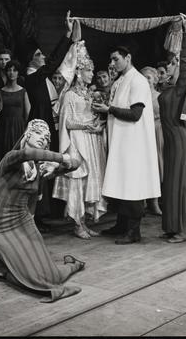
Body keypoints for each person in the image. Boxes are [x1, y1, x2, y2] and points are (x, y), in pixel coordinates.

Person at [0, 119, 85, 303]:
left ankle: (73, 265)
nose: (42, 138)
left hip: (22, 220)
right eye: (38, 133)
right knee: (32, 276)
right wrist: (61, 158)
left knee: (52, 275)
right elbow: (28, 153)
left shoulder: (38, 169)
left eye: (46, 138)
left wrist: (57, 166)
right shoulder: (12, 158)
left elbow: (77, 164)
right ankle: (7, 272)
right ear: (27, 134)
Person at [92, 45, 160, 244]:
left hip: (133, 142)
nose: (112, 64)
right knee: (121, 183)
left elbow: (135, 114)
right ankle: (121, 225)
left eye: (116, 59)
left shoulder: (138, 81)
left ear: (128, 57)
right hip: (121, 141)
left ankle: (133, 231)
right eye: (111, 60)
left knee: (132, 185)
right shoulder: (121, 80)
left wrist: (109, 109)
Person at [24, 11, 77, 231]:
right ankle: (34, 217)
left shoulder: (41, 76)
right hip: (38, 130)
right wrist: (67, 36)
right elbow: (54, 61)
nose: (42, 56)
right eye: (38, 54)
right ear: (31, 58)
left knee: (46, 170)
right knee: (38, 172)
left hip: (47, 127)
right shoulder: (32, 77)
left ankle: (43, 214)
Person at [53, 42, 108, 239]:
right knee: (77, 180)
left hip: (91, 140)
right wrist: (85, 125)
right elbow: (66, 121)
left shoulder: (90, 94)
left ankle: (84, 221)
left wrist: (98, 124)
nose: (92, 74)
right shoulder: (69, 95)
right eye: (88, 70)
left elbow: (94, 116)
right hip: (77, 141)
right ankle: (77, 223)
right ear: (79, 72)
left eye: (92, 70)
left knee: (89, 180)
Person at [156, 9, 186, 243]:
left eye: (172, 65)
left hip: (181, 138)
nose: (169, 67)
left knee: (182, 184)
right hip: (170, 140)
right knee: (171, 183)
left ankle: (182, 230)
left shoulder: (181, 86)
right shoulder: (167, 89)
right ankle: (172, 226)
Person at [0, 60, 30, 174]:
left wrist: (25, 132)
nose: (11, 73)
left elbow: (28, 113)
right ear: (6, 72)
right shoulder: (0, 92)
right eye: (9, 70)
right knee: (4, 157)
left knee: (18, 158)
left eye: (14, 70)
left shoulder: (23, 91)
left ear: (18, 73)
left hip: (19, 128)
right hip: (4, 128)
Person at [140, 66, 164, 216]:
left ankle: (154, 202)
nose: (146, 80)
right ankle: (141, 202)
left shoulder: (160, 97)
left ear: (155, 80)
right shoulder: (138, 95)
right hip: (142, 133)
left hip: (156, 132)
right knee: (142, 166)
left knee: (156, 166)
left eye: (148, 77)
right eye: (143, 77)